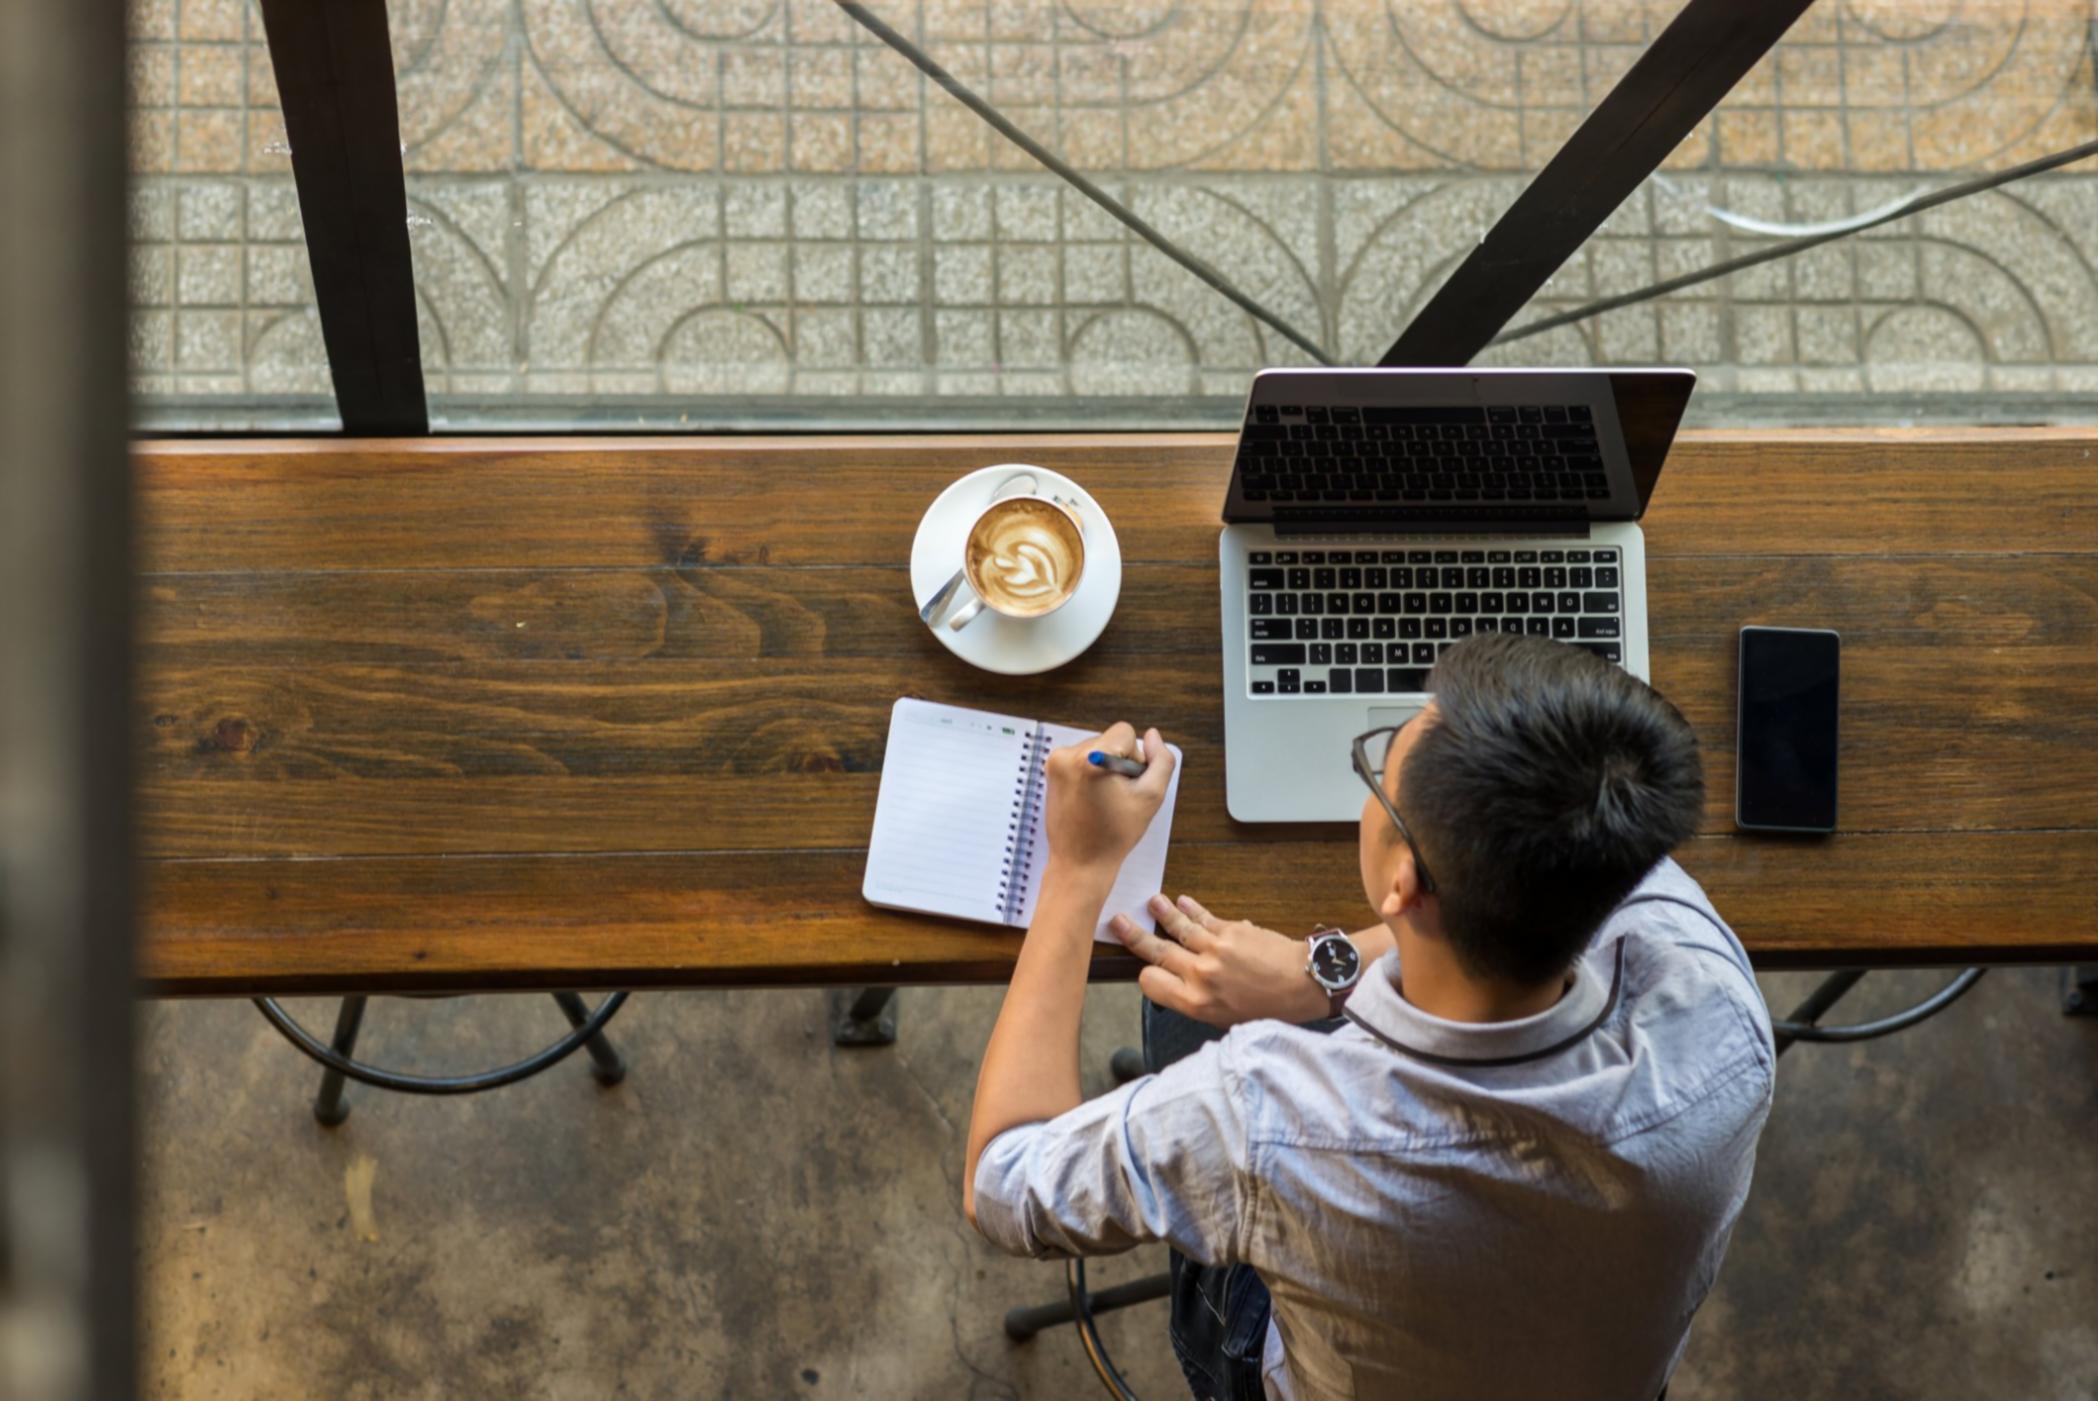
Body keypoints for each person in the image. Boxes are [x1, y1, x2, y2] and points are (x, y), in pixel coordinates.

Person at [962, 631, 1775, 1400]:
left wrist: (1078, 869)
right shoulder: (1716, 999)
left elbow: (1002, 1184)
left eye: (1379, 769)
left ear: (1403, 887)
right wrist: (1321, 973)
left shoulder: (1267, 1112)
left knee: (1179, 1023)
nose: (1377, 772)